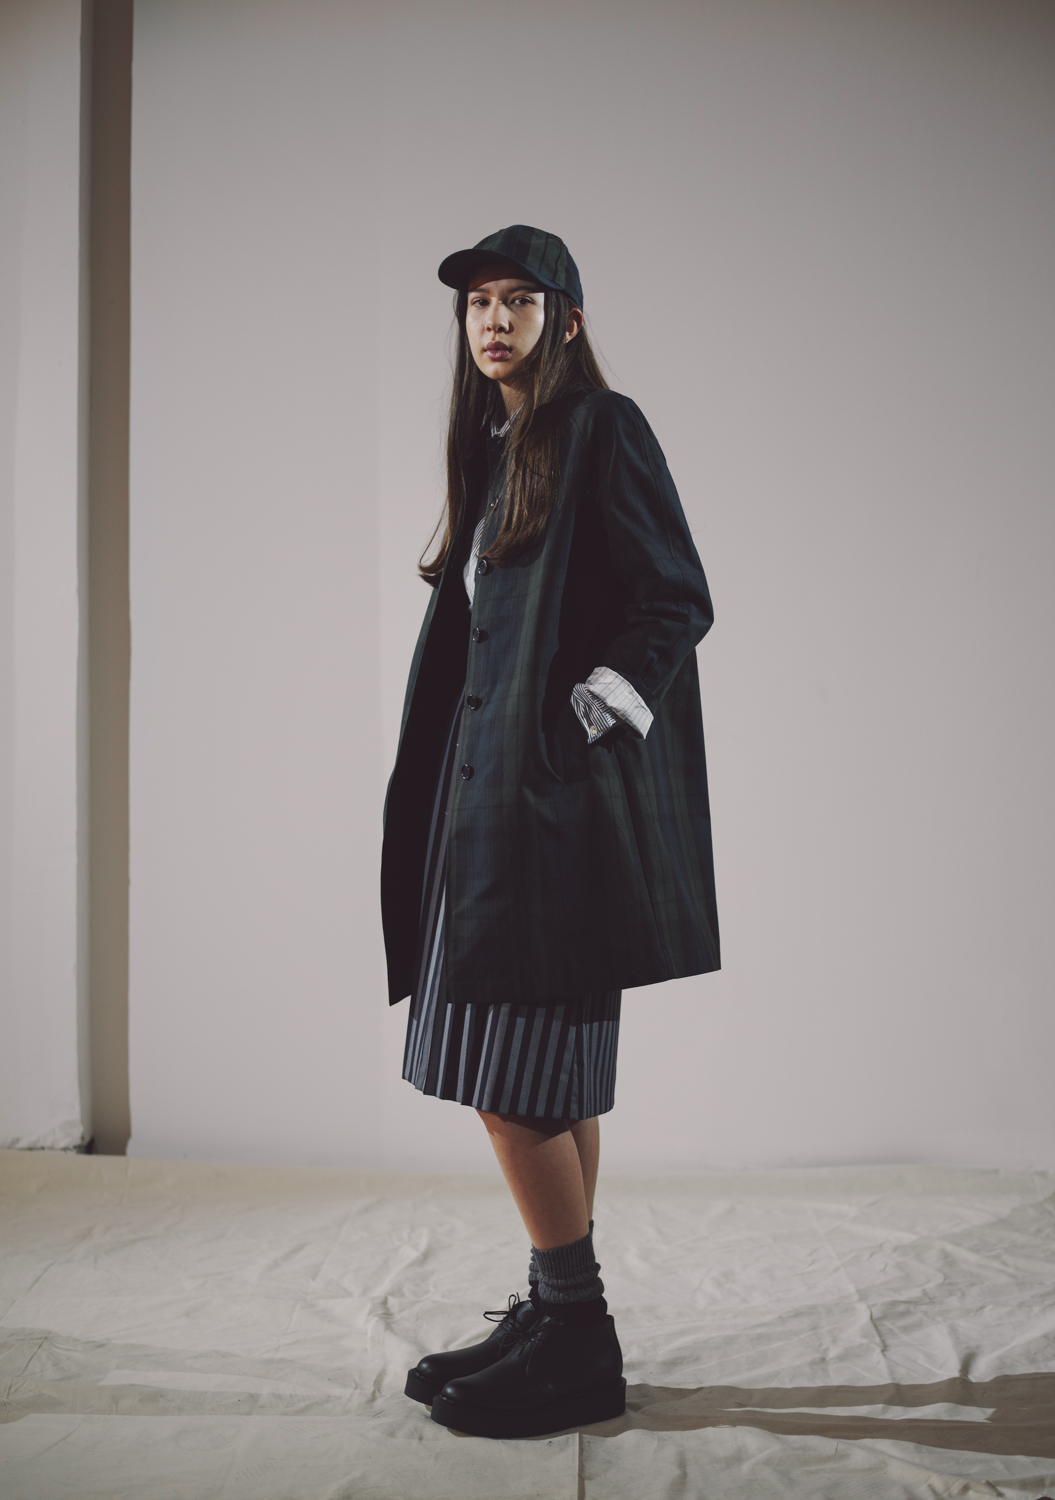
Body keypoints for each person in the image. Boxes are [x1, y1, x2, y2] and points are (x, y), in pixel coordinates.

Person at [381, 224, 719, 1439]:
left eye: (518, 300)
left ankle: (578, 1334)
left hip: (545, 817)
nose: (493, 320)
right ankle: (551, 1304)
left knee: (506, 1074)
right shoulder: (499, 446)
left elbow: (676, 595)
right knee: (549, 1073)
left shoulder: (600, 428)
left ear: (566, 321)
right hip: (487, 811)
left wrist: (581, 723)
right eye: (478, 302)